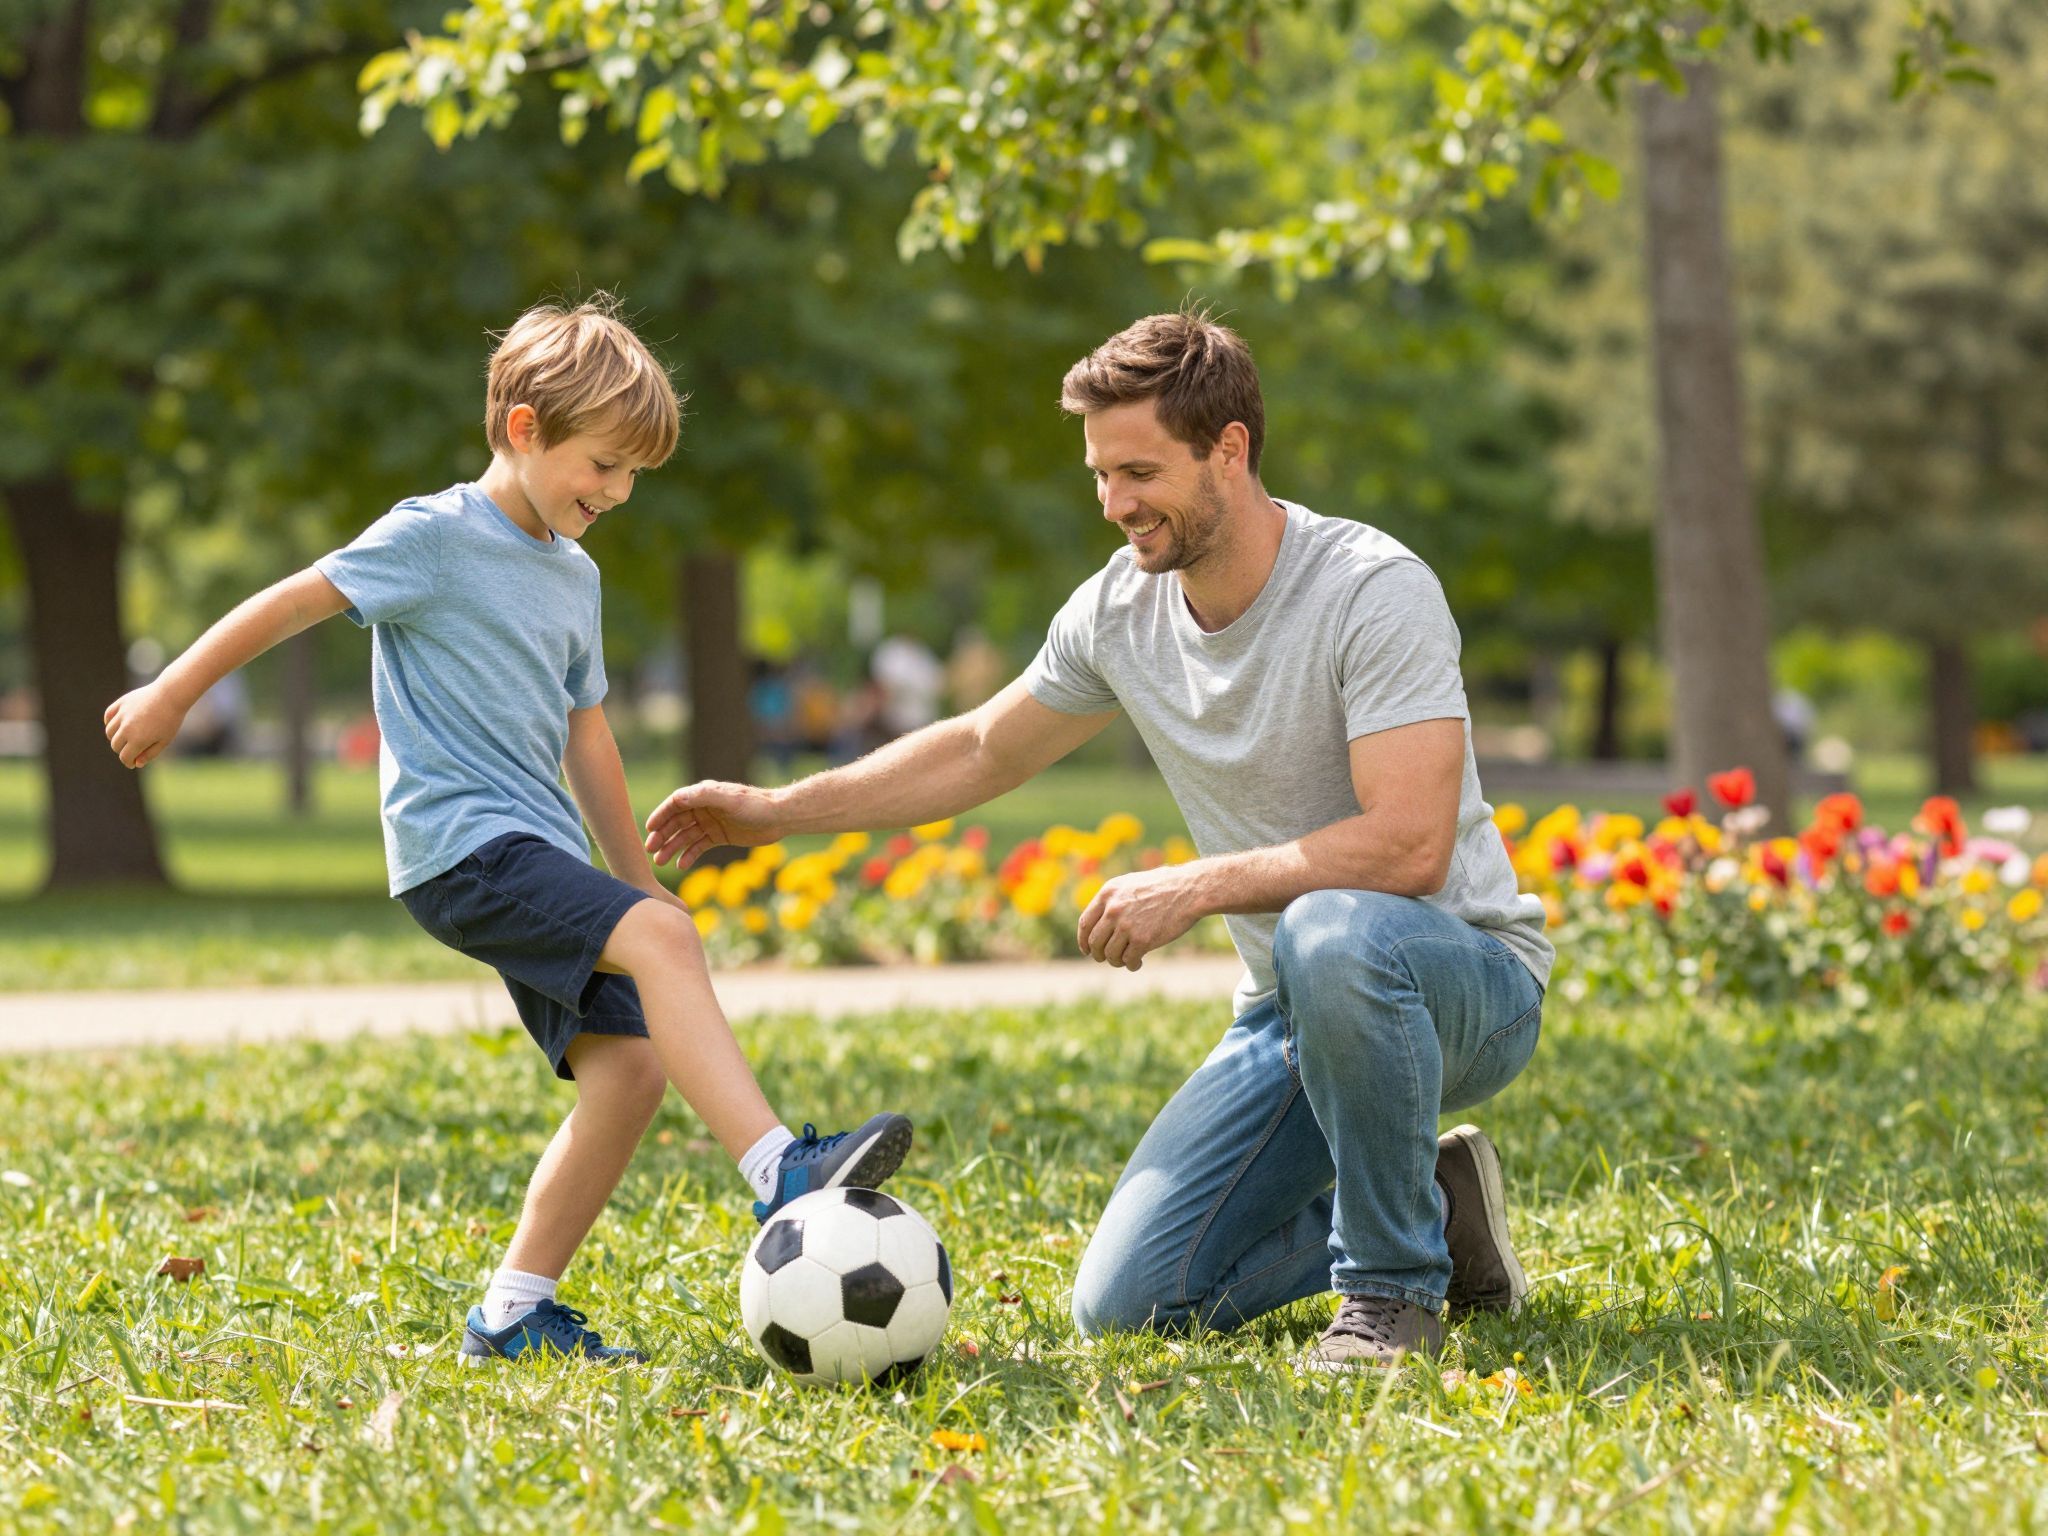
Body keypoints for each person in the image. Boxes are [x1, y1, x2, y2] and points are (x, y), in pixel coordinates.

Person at [644, 310, 1553, 1370]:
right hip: (1294, 1007)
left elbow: (1407, 850)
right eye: (1098, 475)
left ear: (1229, 449)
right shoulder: (1119, 609)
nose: (1115, 504)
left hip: (1459, 982)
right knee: (1128, 1302)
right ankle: (1440, 1213)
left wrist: (1195, 887)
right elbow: (982, 748)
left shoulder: (1368, 590)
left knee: (1330, 931)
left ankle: (1391, 1297)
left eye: (1138, 471)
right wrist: (775, 812)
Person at [103, 297, 911, 1366]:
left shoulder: (573, 578)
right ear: (524, 428)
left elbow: (589, 741)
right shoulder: (433, 538)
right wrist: (170, 692)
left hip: (534, 852)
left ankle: (513, 1311)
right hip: (461, 848)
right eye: (602, 465)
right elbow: (288, 604)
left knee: (628, 1073)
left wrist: (640, 884)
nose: (615, 494)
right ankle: (781, 1173)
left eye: (632, 477)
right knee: (662, 953)